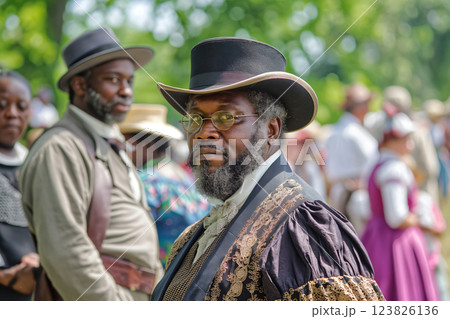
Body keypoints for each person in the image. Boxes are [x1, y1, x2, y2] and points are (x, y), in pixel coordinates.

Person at [151, 37, 384, 301]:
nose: (205, 132)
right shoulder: (191, 237)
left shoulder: (304, 227)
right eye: (195, 119)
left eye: (226, 117)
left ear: (271, 130)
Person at [19, 28, 163, 300]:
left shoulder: (110, 142)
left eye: (129, 81)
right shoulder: (61, 148)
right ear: (80, 85)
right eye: (113, 80)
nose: (126, 91)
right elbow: (66, 251)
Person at [361, 112, 440, 301]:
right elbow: (396, 217)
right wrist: (422, 219)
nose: (409, 142)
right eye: (405, 137)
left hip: (376, 236)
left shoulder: (379, 163)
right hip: (395, 244)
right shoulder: (394, 168)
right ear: (390, 140)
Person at [119, 104, 210, 267]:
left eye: (124, 142)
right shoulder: (186, 178)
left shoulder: (145, 182)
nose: (121, 149)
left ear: (141, 144)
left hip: (157, 276)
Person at [0, 70, 40, 300]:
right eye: (2, 105)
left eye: (21, 106)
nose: (12, 114)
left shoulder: (32, 164)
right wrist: (8, 276)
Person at [325, 83, 378, 234]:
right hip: (358, 197)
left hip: (338, 195)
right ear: (361, 107)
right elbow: (373, 165)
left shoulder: (333, 132)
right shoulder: (358, 135)